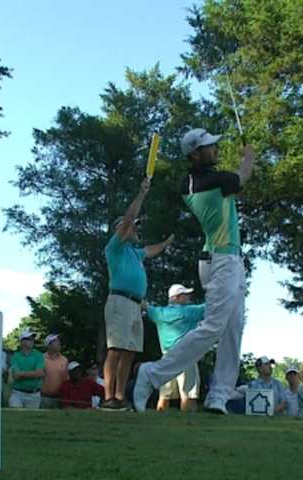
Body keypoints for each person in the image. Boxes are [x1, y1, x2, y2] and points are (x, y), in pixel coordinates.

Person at [133, 128, 257, 414]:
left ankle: (219, 396)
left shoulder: (200, 179)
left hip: (231, 259)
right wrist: (248, 157)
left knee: (232, 329)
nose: (215, 148)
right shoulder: (209, 181)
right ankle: (152, 374)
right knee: (214, 327)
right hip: (220, 259)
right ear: (194, 154)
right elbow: (243, 176)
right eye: (209, 146)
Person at [103, 177, 173, 410]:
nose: (136, 228)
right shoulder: (115, 247)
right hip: (120, 301)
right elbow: (130, 218)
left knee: (130, 351)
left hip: (134, 305)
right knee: (115, 349)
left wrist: (167, 242)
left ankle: (121, 397)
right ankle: (109, 397)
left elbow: (152, 250)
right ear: (120, 230)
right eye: (132, 226)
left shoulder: (135, 253)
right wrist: (142, 193)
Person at [146, 284, 205, 412]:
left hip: (166, 359)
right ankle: (187, 427)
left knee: (164, 395)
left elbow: (145, 306)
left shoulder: (158, 313)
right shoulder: (190, 311)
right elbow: (212, 307)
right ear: (177, 297)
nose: (189, 297)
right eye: (185, 295)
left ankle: (160, 423)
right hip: (186, 358)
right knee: (188, 395)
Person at [9, 330, 45, 409]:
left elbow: (40, 373)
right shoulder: (16, 356)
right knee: (15, 416)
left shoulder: (39, 355)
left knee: (32, 419)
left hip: (34, 394)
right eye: (29, 339)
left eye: (32, 339)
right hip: (18, 393)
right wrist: (33, 374)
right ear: (22, 341)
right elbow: (16, 376)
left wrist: (22, 374)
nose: (32, 341)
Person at [41, 333, 69, 409]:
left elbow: (66, 379)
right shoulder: (41, 359)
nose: (59, 343)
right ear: (49, 345)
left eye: (58, 341)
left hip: (59, 397)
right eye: (55, 341)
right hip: (43, 397)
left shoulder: (64, 360)